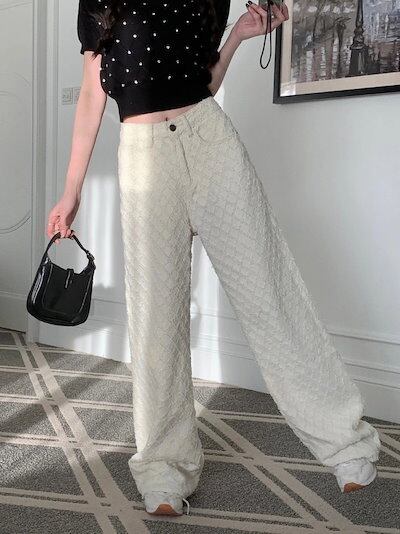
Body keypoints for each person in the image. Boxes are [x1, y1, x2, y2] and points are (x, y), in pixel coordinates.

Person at [47, 0, 381, 517]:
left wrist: (239, 36)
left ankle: (345, 442)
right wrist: (72, 190)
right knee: (156, 319)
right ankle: (164, 468)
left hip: (209, 141)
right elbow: (93, 92)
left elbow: (203, 81)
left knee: (268, 290)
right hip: (143, 155)